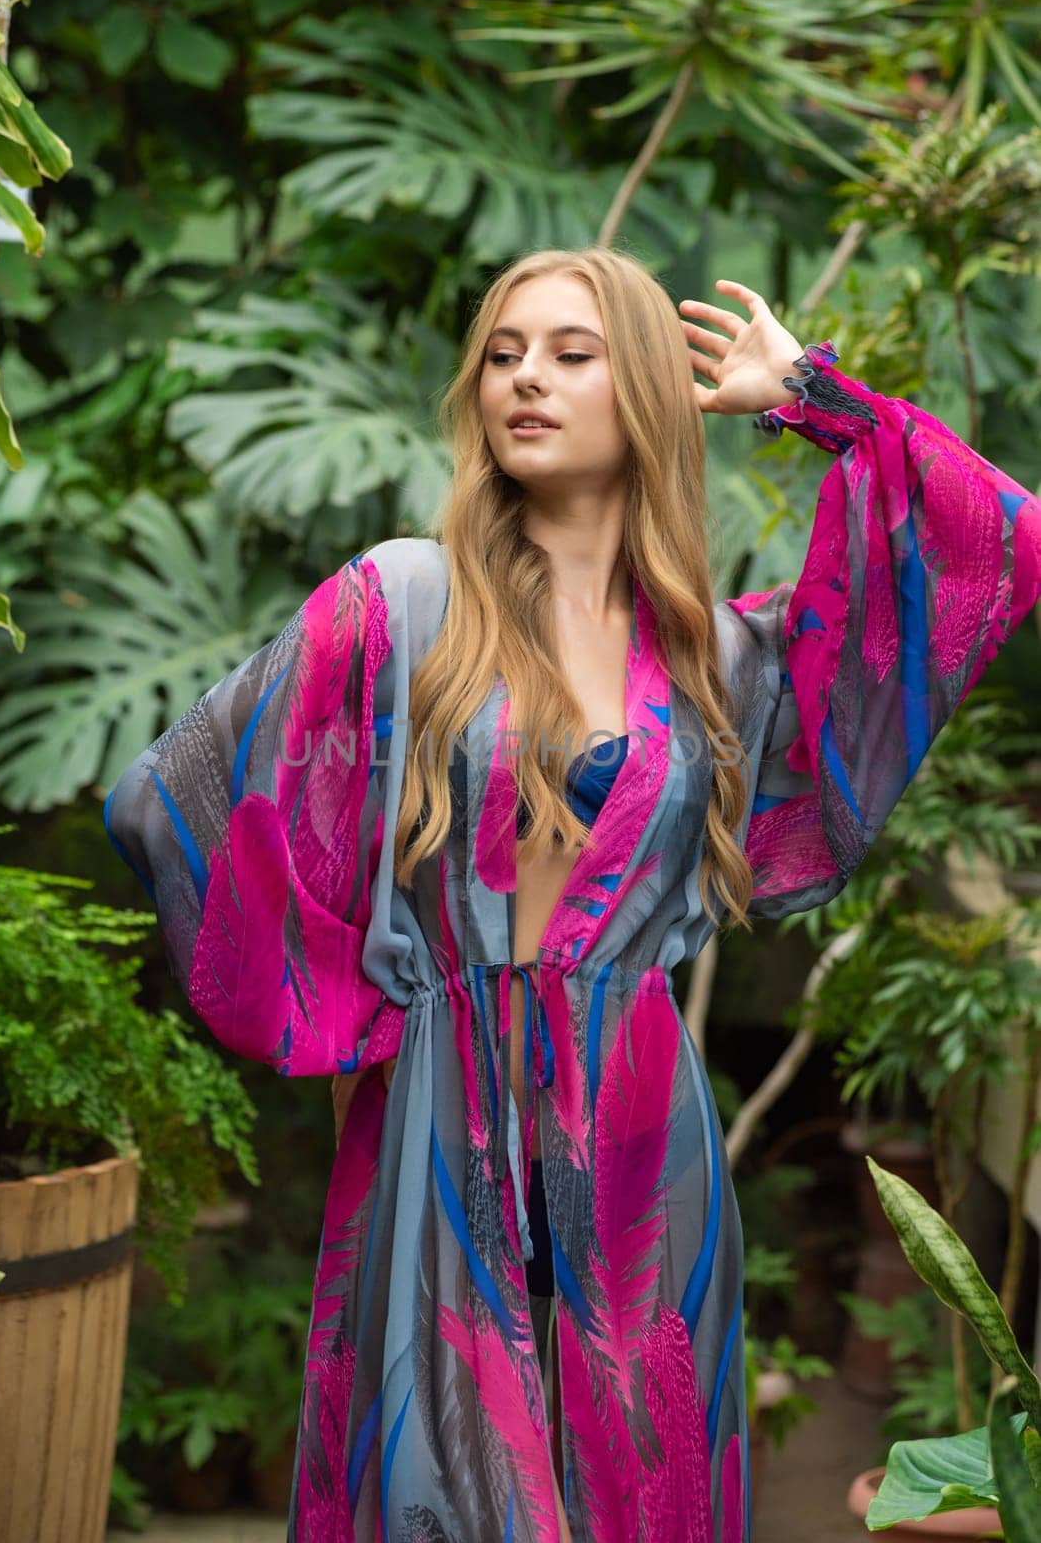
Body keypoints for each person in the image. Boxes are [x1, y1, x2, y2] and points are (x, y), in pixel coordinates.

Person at [103, 246, 1041, 1543]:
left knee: (640, 1491)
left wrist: (808, 395)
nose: (524, 378)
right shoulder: (403, 603)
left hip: (643, 1138)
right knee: (442, 1484)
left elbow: (990, 538)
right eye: (502, 353)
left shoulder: (721, 657)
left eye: (570, 352)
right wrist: (376, 1011)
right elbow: (182, 799)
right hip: (438, 1115)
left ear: (648, 391)